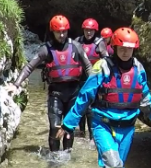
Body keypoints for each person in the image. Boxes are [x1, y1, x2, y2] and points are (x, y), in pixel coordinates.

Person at [59, 27, 151, 168]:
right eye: (122, 47)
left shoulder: (139, 69)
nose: (125, 52)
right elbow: (85, 96)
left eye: (129, 48)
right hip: (103, 125)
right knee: (114, 165)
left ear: (134, 49)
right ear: (114, 47)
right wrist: (68, 123)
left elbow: (144, 96)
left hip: (127, 128)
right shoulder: (102, 67)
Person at [14, 15, 93, 152]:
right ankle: (55, 157)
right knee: (54, 127)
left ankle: (67, 156)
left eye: (64, 31)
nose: (61, 35)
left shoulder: (76, 47)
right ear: (53, 32)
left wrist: (94, 87)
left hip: (74, 92)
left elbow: (88, 67)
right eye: (58, 32)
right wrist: (16, 84)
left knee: (69, 128)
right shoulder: (46, 49)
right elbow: (29, 67)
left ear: (68, 31)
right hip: (56, 93)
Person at [74, 18, 109, 140]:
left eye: (91, 30)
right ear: (83, 30)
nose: (89, 33)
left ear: (95, 31)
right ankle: (82, 132)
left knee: (90, 108)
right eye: (87, 30)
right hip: (79, 78)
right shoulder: (77, 41)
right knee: (79, 105)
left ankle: (92, 136)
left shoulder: (99, 43)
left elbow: (106, 60)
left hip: (94, 79)